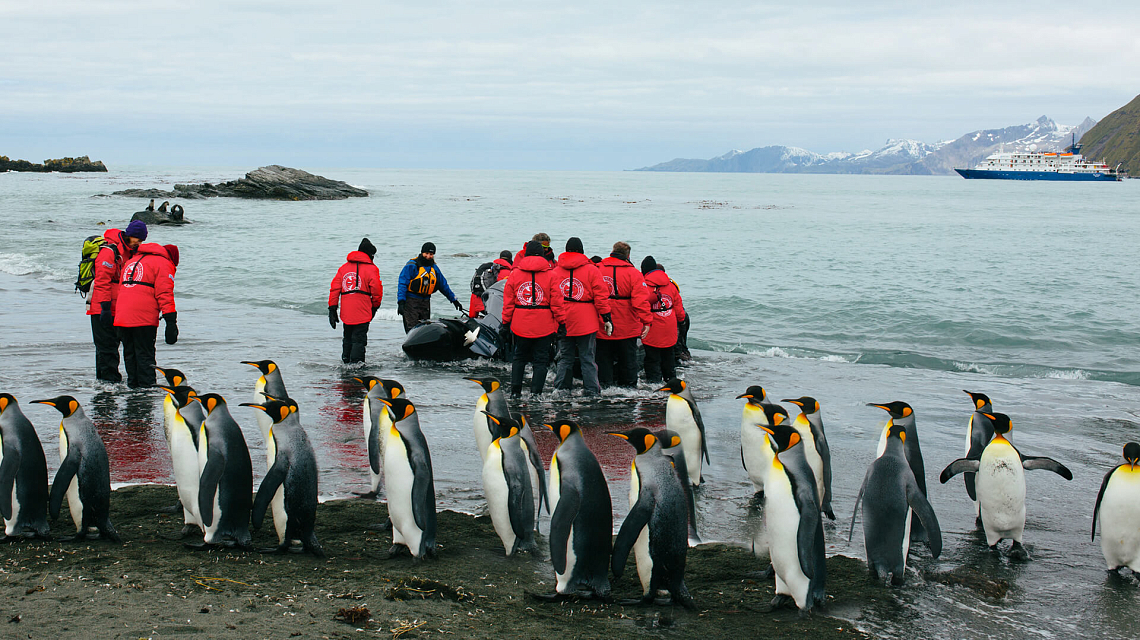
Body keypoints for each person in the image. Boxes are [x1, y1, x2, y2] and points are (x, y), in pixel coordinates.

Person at [500, 240, 567, 397]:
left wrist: (505, 323)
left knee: (519, 358)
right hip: (544, 325)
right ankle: (536, 393)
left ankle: (515, 392)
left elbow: (508, 302)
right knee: (541, 360)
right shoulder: (551, 275)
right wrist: (562, 322)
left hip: (520, 323)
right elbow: (557, 303)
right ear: (543, 255)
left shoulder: (515, 274)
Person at [88, 220, 147, 382]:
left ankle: (105, 383)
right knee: (107, 347)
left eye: (141, 241)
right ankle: (109, 382)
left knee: (108, 347)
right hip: (102, 307)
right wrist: (104, 307)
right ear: (129, 234)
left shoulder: (129, 251)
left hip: (118, 307)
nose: (139, 243)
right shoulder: (110, 251)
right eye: (137, 239)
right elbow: (102, 281)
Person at [551, 237, 612, 395]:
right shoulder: (592, 270)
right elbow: (601, 297)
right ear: (582, 251)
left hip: (563, 319)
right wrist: (606, 317)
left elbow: (550, 297)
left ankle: (561, 389)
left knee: (565, 356)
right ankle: (591, 390)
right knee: (587, 357)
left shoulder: (555, 271)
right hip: (586, 321)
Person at [114, 242, 178, 388]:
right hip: (143, 317)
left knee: (129, 354)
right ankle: (147, 390)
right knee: (145, 354)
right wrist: (171, 321)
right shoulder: (163, 263)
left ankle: (133, 387)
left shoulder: (131, 261)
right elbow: (165, 293)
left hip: (122, 315)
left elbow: (121, 289)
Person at [595, 241, 653, 388]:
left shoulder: (597, 269)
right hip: (627, 323)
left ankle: (605, 385)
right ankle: (628, 387)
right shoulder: (634, 273)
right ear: (628, 255)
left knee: (603, 357)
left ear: (612, 252)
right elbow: (640, 301)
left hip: (602, 321)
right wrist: (647, 321)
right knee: (628, 358)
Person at [329, 238, 384, 363]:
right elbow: (377, 290)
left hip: (347, 311)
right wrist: (375, 306)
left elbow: (335, 288)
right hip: (363, 310)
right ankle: (357, 366)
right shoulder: (372, 269)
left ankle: (345, 362)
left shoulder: (343, 268)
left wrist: (332, 308)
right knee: (359, 339)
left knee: (347, 337)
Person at [396, 242, 463, 333]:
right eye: (426, 253)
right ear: (422, 253)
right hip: (411, 302)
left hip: (425, 303)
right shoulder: (412, 266)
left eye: (431, 254)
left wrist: (454, 300)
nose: (428, 256)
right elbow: (402, 284)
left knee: (424, 330)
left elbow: (443, 285)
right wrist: (401, 302)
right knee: (412, 330)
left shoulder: (434, 268)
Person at [639, 256, 686, 382]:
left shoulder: (643, 286)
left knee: (652, 358)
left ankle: (653, 384)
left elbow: (638, 305)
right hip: (669, 326)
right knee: (668, 356)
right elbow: (678, 307)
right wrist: (681, 321)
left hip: (652, 327)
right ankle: (671, 381)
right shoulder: (670, 285)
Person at [468, 250, 512, 317]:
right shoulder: (507, 272)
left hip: (476, 303)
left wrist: (472, 317)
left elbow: (475, 292)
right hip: (491, 306)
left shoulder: (487, 269)